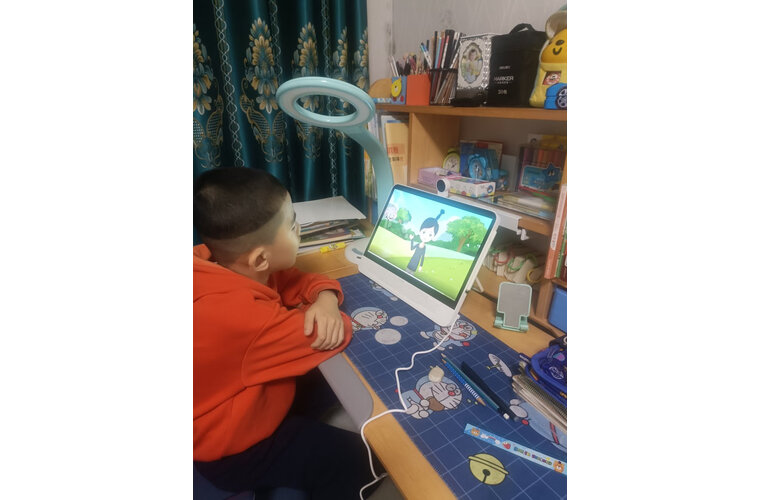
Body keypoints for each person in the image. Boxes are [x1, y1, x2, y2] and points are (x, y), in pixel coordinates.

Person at [193, 167, 377, 499]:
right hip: (231, 450)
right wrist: (327, 309)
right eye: (292, 225)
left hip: (229, 403)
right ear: (261, 258)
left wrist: (324, 298)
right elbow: (335, 333)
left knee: (329, 385)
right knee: (360, 462)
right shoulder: (246, 318)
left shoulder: (211, 259)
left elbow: (295, 279)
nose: (300, 228)